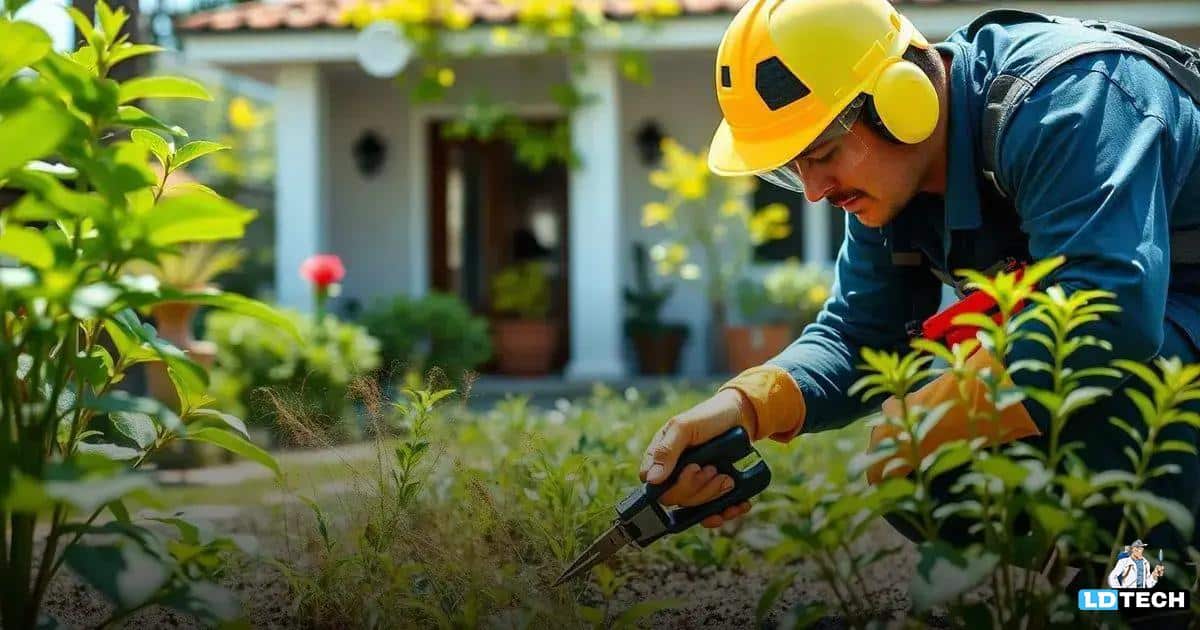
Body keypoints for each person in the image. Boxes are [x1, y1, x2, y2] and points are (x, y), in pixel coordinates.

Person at [638, 0, 1200, 559]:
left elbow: (1111, 309)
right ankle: (1082, 585)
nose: (813, 191)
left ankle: (1144, 598)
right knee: (926, 474)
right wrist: (742, 407)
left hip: (1167, 333)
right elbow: (860, 336)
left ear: (902, 101)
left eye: (823, 154)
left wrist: (943, 410)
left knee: (1094, 370)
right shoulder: (892, 185)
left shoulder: (1068, 99)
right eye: (791, 169)